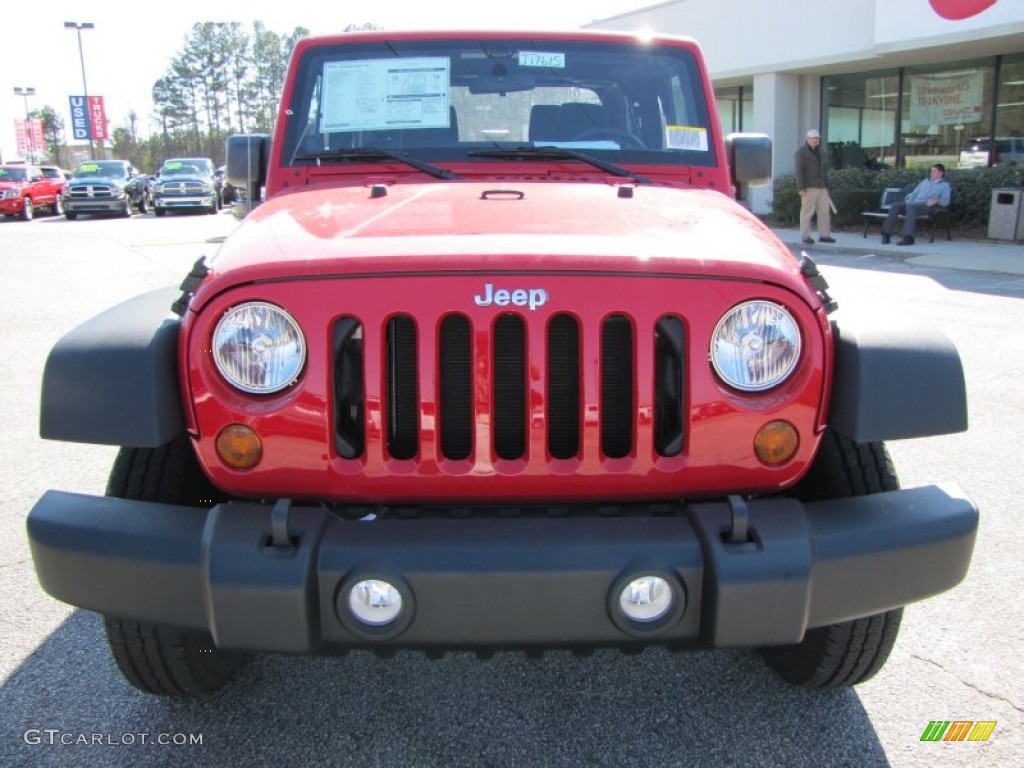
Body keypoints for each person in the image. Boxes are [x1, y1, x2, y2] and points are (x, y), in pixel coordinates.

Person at [880, 164, 953, 246]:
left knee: (911, 207)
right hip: (913, 205)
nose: (931, 173)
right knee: (895, 206)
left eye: (934, 171)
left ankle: (908, 237)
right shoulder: (924, 182)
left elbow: (946, 201)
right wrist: (908, 202)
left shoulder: (945, 186)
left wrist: (937, 201)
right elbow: (914, 194)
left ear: (941, 173)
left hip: (927, 206)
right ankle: (886, 234)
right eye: (931, 171)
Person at [794, 128, 835, 245]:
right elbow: (799, 172)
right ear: (808, 139)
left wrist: (826, 185)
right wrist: (801, 188)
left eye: (817, 138)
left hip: (821, 187)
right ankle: (806, 236)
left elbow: (824, 170)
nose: (816, 140)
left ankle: (824, 235)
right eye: (813, 138)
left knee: (824, 211)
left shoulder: (821, 152)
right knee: (807, 212)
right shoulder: (801, 153)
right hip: (809, 187)